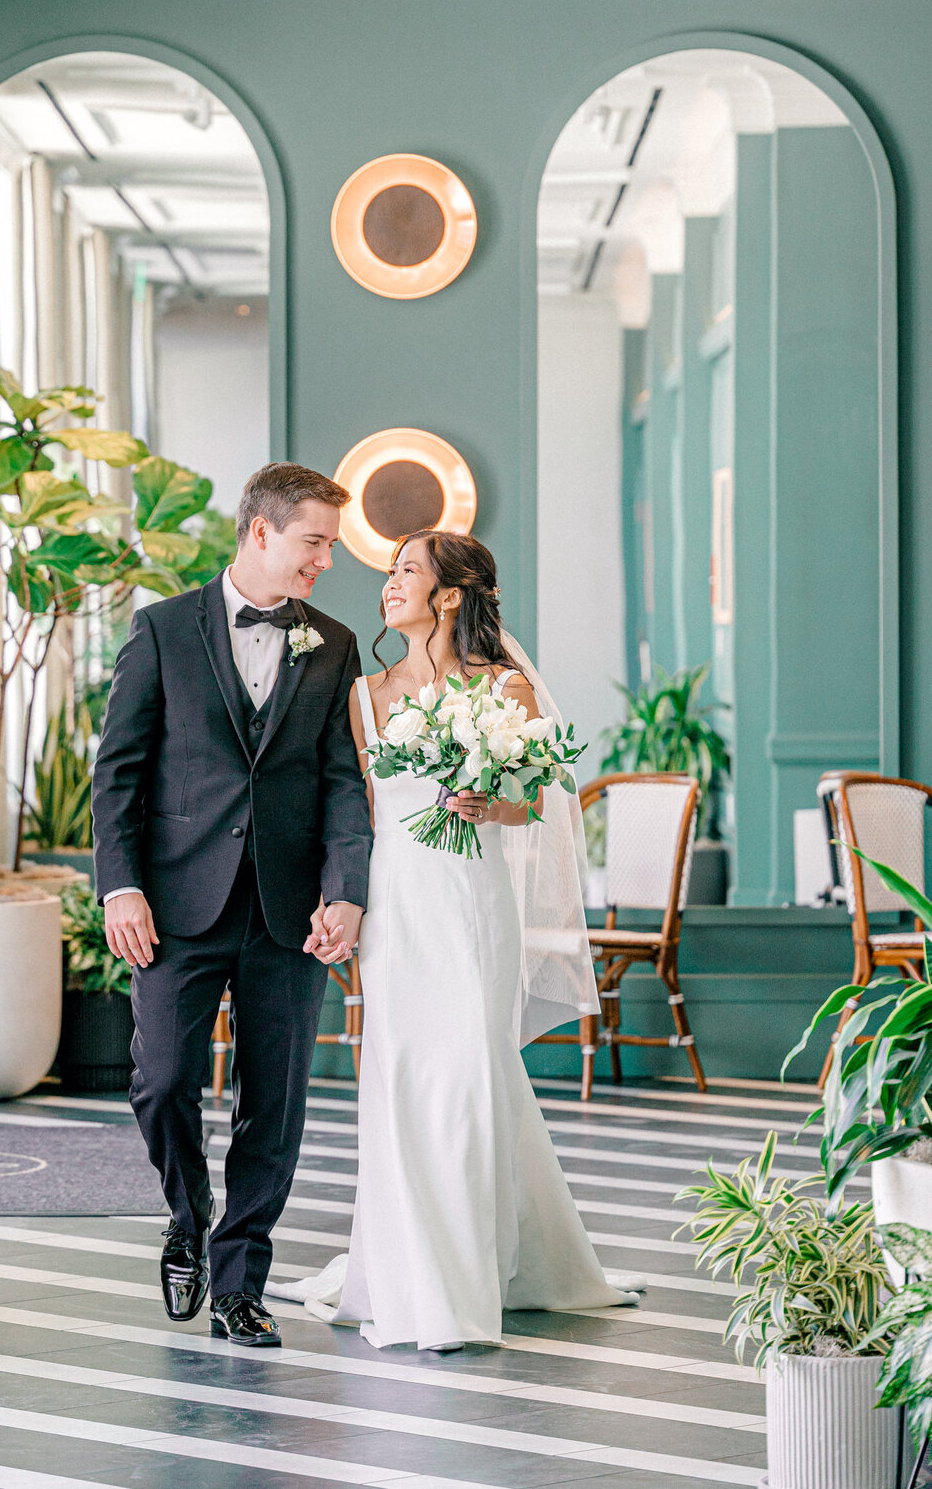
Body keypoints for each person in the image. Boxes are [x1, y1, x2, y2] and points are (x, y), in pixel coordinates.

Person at [293, 529, 640, 1351]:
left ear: (450, 594)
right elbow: (359, 815)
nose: (389, 584)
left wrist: (494, 805)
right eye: (390, 572)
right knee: (403, 1077)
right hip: (399, 904)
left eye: (406, 571)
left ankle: (473, 1276)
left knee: (471, 1075)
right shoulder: (367, 694)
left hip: (474, 903)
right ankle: (409, 1273)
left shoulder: (505, 687)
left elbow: (539, 804)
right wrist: (343, 905)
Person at [91, 462, 372, 1349]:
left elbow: (341, 784)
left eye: (330, 545)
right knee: (163, 1077)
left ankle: (240, 1278)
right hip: (174, 904)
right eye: (315, 542)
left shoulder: (331, 642)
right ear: (261, 532)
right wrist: (120, 884)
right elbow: (118, 773)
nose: (326, 561)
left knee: (275, 1102)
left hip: (288, 913)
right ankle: (189, 1211)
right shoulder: (163, 630)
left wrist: (347, 893)